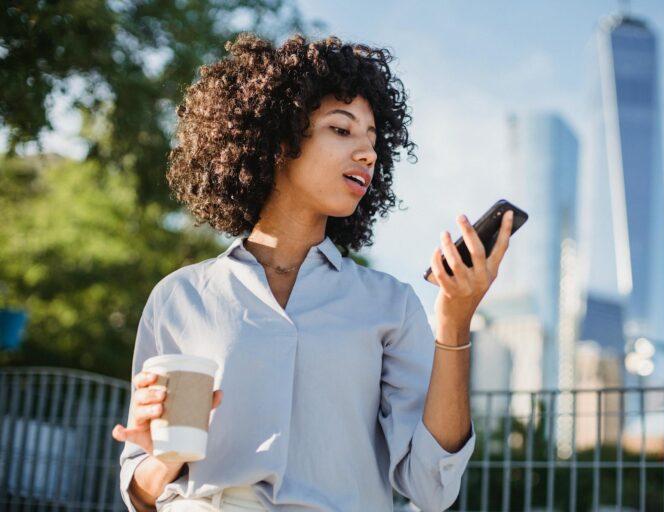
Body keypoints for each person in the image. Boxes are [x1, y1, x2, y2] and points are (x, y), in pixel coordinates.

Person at [112, 33, 514, 512]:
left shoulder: (390, 304)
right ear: (279, 137)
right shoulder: (180, 297)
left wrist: (453, 323)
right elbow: (140, 490)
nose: (367, 154)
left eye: (372, 140)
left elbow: (431, 488)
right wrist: (162, 459)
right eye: (341, 131)